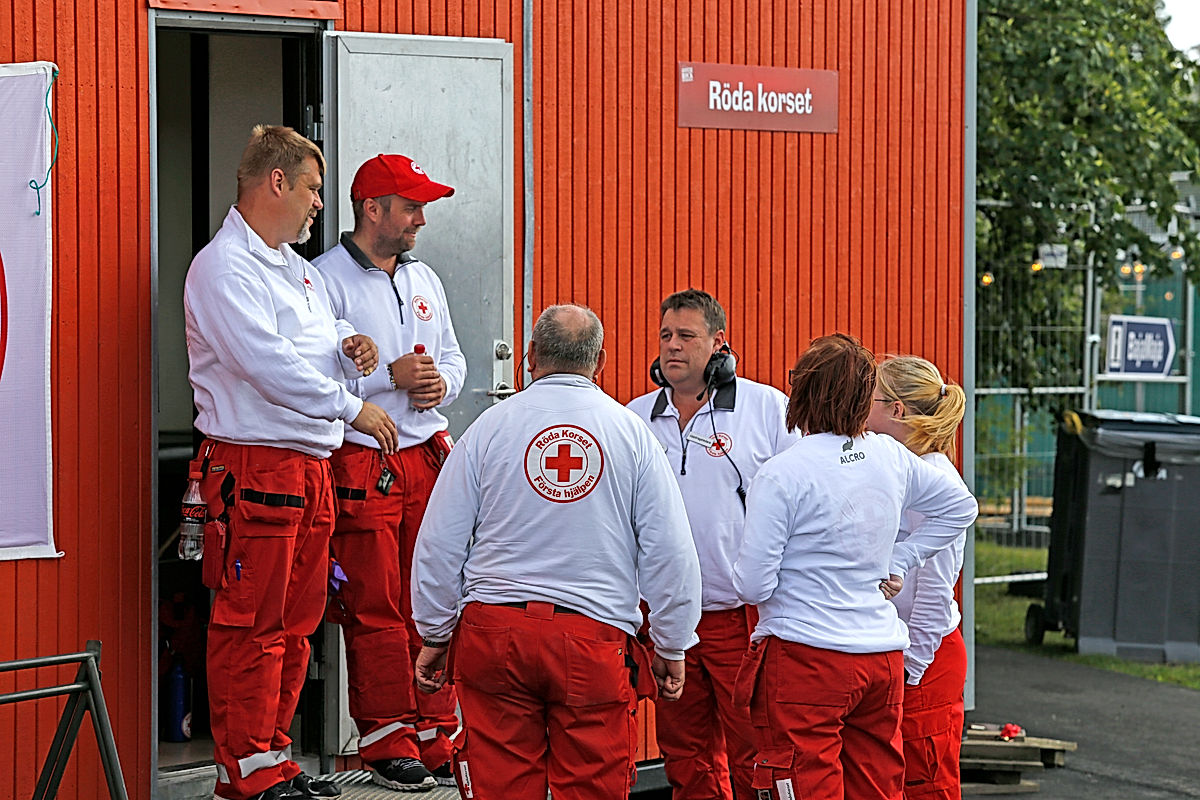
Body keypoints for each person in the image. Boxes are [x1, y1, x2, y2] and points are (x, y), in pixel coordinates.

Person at [409, 304, 703, 800]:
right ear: (600, 362)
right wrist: (672, 645)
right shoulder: (632, 435)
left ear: (529, 358)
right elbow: (670, 552)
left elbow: (439, 541)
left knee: (499, 786)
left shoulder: (487, 429)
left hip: (493, 634)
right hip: (592, 642)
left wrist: (434, 632)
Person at [184, 125, 399, 800]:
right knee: (251, 621)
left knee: (296, 623)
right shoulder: (223, 269)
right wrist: (350, 405)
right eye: (311, 189)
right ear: (275, 181)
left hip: (305, 469)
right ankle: (243, 769)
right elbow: (266, 365)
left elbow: (319, 335)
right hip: (256, 468)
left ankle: (274, 758)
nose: (316, 205)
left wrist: (351, 346)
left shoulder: (297, 270)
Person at [731, 333, 977, 800]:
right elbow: (961, 507)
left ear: (802, 392)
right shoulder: (889, 456)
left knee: (800, 784)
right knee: (878, 786)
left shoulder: (783, 472)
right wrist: (900, 557)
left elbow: (752, 583)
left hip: (806, 656)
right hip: (879, 654)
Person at [313, 154, 466, 792]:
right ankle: (387, 740)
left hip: (426, 460)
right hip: (362, 461)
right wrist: (385, 377)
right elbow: (311, 378)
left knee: (433, 599)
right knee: (374, 605)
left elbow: (454, 357)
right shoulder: (321, 279)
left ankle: (440, 735)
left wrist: (439, 385)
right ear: (371, 208)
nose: (420, 220)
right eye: (409, 207)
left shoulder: (424, 275)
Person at [626, 289, 797, 800]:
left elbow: (807, 501)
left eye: (686, 336)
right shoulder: (633, 417)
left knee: (752, 751)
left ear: (719, 342)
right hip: (666, 619)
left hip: (739, 617)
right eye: (665, 336)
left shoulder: (767, 408)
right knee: (686, 754)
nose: (671, 347)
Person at [866, 356, 969, 800]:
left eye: (868, 399)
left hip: (925, 658)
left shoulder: (935, 481)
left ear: (897, 411)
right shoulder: (898, 470)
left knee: (927, 781)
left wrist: (910, 674)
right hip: (902, 652)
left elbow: (933, 595)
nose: (859, 408)